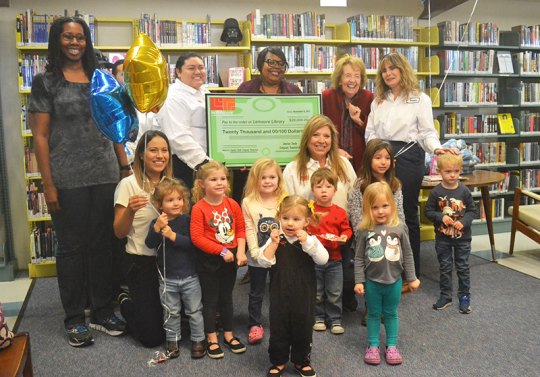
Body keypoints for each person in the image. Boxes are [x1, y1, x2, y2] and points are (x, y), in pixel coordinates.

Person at [28, 16, 128, 347]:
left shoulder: (101, 76)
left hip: (105, 172)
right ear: (57, 40)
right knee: (71, 247)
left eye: (80, 37)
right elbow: (40, 136)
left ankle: (101, 310)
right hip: (66, 177)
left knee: (102, 245)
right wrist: (49, 184)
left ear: (87, 41)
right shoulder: (46, 82)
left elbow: (113, 120)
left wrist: (124, 165)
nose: (75, 43)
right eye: (68, 37)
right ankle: (74, 317)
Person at [365, 52, 456, 276]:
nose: (388, 74)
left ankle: (409, 268)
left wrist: (437, 148)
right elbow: (370, 133)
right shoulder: (378, 100)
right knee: (379, 208)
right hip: (382, 156)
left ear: (402, 69)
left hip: (409, 157)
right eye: (384, 70)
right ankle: (381, 265)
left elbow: (427, 133)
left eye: (392, 68)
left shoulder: (420, 98)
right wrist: (378, 154)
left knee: (407, 212)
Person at [258, 195, 329, 377]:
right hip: (279, 292)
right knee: (279, 326)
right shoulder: (275, 239)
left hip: (303, 293)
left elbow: (323, 259)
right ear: (279, 218)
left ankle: (301, 360)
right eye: (285, 218)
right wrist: (273, 244)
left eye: (296, 219)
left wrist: (307, 242)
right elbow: (263, 261)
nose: (290, 223)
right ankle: (279, 360)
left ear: (307, 221)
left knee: (303, 325)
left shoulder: (310, 240)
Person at [113, 130, 172, 348]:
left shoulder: (171, 183)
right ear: (140, 155)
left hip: (169, 261)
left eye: (164, 150)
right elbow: (119, 232)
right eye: (153, 150)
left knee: (178, 325)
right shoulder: (128, 184)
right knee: (152, 338)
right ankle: (124, 300)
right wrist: (129, 210)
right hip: (140, 261)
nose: (160, 156)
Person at [354, 182, 420, 366]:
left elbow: (407, 254)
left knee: (391, 313)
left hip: (394, 281)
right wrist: (359, 280)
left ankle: (391, 346)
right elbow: (359, 258)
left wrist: (412, 277)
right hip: (372, 282)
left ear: (392, 205)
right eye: (375, 207)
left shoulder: (399, 228)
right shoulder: (364, 230)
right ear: (367, 208)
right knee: (373, 314)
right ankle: (373, 345)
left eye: (385, 206)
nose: (380, 211)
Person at [190, 161, 248, 359]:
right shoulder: (199, 208)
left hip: (230, 260)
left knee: (227, 298)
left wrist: (241, 252)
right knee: (211, 300)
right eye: (213, 179)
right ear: (201, 184)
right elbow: (197, 238)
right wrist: (222, 250)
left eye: (222, 178)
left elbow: (240, 230)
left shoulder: (232, 204)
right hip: (209, 262)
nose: (219, 183)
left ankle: (229, 335)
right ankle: (212, 337)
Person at [145, 177, 206, 359]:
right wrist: (156, 228)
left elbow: (193, 244)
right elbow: (150, 244)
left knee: (194, 310)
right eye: (170, 200)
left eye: (179, 199)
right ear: (160, 204)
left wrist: (172, 236)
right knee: (170, 311)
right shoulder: (157, 222)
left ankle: (198, 339)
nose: (176, 203)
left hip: (189, 277)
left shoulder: (188, 221)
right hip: (167, 279)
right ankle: (173, 340)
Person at [347, 138, 406, 318]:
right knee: (370, 274)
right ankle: (370, 309)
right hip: (368, 237)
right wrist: (364, 234)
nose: (383, 162)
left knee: (389, 271)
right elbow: (355, 212)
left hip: (390, 237)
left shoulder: (395, 184)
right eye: (378, 157)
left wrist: (399, 234)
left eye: (387, 158)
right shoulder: (360, 184)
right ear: (368, 159)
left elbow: (399, 213)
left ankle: (387, 309)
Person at [241, 158, 285, 345]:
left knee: (279, 290)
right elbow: (249, 228)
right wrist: (254, 252)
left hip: (280, 254)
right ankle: (255, 324)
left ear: (278, 179)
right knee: (257, 291)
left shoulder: (285, 198)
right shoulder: (248, 202)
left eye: (272, 177)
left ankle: (280, 322)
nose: (268, 181)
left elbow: (287, 224)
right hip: (257, 254)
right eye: (263, 177)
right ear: (255, 180)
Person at [424, 154, 475, 314]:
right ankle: (445, 296)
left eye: (456, 171)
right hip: (443, 239)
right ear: (439, 171)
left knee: (463, 267)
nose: (452, 175)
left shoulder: (464, 191)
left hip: (463, 239)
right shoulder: (436, 192)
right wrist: (441, 217)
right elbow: (428, 211)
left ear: (461, 170)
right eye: (448, 171)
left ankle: (464, 296)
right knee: (445, 267)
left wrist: (464, 222)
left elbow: (473, 211)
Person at [307, 168, 352, 335]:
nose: (323, 190)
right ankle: (318, 317)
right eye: (319, 187)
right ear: (312, 190)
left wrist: (344, 238)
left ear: (335, 190)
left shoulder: (339, 212)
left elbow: (347, 230)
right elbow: (305, 231)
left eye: (328, 186)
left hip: (335, 259)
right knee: (317, 291)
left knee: (335, 291)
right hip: (315, 260)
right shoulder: (310, 212)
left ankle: (335, 319)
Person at [283, 114, 356, 212]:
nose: (322, 141)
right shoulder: (291, 170)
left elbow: (356, 203)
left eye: (326, 136)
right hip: (306, 227)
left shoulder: (344, 164)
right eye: (315, 135)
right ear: (306, 138)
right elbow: (287, 208)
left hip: (342, 226)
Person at [158, 53, 210, 188]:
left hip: (209, 165)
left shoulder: (206, 93)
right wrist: (203, 163)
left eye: (201, 67)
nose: (198, 72)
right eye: (191, 68)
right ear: (178, 72)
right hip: (188, 165)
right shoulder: (172, 96)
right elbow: (177, 137)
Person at [322, 54, 374, 173]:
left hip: (361, 163)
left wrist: (359, 120)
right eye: (348, 76)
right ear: (340, 79)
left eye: (357, 76)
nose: (352, 81)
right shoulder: (327, 97)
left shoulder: (369, 98)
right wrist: (334, 151)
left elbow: (373, 133)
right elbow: (319, 131)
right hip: (331, 160)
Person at [236, 47, 302, 94]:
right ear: (260, 64)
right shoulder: (246, 89)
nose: (277, 66)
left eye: (281, 64)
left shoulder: (294, 91)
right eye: (271, 62)